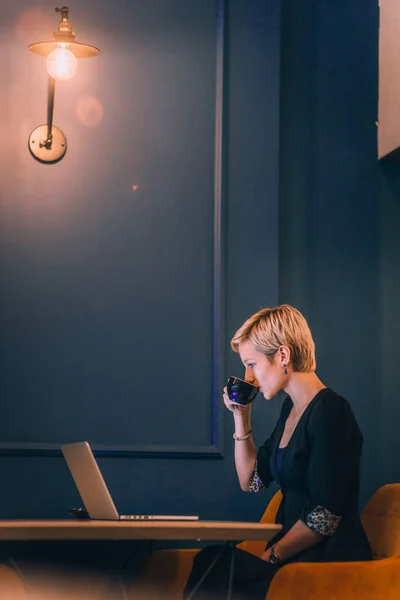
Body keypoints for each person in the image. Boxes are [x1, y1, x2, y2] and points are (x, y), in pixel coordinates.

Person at [183, 304, 372, 600]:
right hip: (290, 555)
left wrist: (271, 556)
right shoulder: (292, 410)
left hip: (325, 560)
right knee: (213, 560)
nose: (249, 377)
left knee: (219, 566)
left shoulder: (331, 411)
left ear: (282, 356)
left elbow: (323, 517)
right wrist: (240, 415)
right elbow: (252, 480)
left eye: (252, 364)